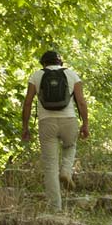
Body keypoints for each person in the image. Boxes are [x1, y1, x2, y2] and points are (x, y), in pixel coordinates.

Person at [22, 50, 89, 211]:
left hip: (46, 122)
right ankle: (66, 170)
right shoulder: (72, 75)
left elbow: (28, 103)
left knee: (50, 166)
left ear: (43, 63)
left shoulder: (36, 75)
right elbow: (81, 102)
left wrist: (25, 127)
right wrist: (85, 123)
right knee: (70, 146)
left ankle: (55, 207)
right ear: (61, 62)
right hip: (69, 120)